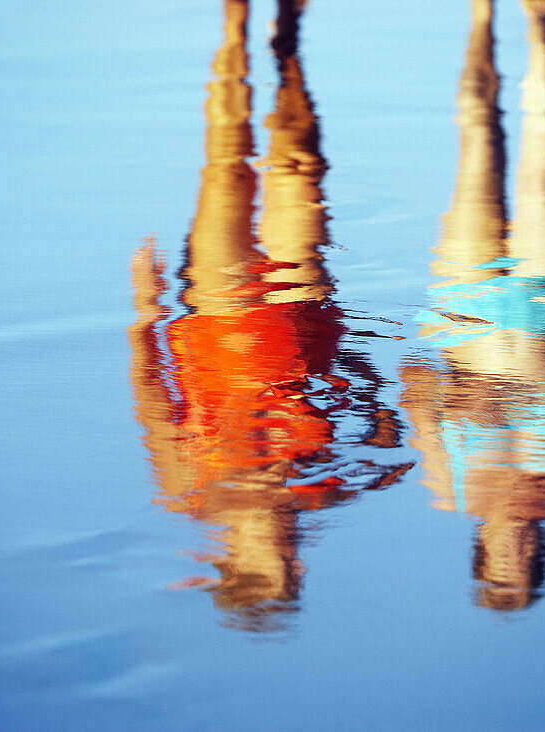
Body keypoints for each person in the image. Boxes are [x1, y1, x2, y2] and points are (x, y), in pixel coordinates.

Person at [128, 0, 411, 632]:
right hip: (304, 306)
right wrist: (356, 367)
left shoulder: (187, 490)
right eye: (296, 566)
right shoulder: (326, 490)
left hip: (219, 313)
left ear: (232, 558)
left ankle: (233, 28)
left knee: (227, 172)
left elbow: (150, 398)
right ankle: (287, 52)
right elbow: (392, 441)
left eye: (280, 560)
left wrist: (145, 314)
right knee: (299, 166)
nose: (299, 556)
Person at [400, 0, 545, 611]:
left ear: (482, 549)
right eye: (527, 565)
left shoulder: (448, 489)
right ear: (543, 558)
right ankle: (537, 24)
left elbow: (413, 383)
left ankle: (479, 18)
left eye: (505, 562)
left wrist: (468, 394)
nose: (519, 551)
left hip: (463, 298)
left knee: (477, 138)